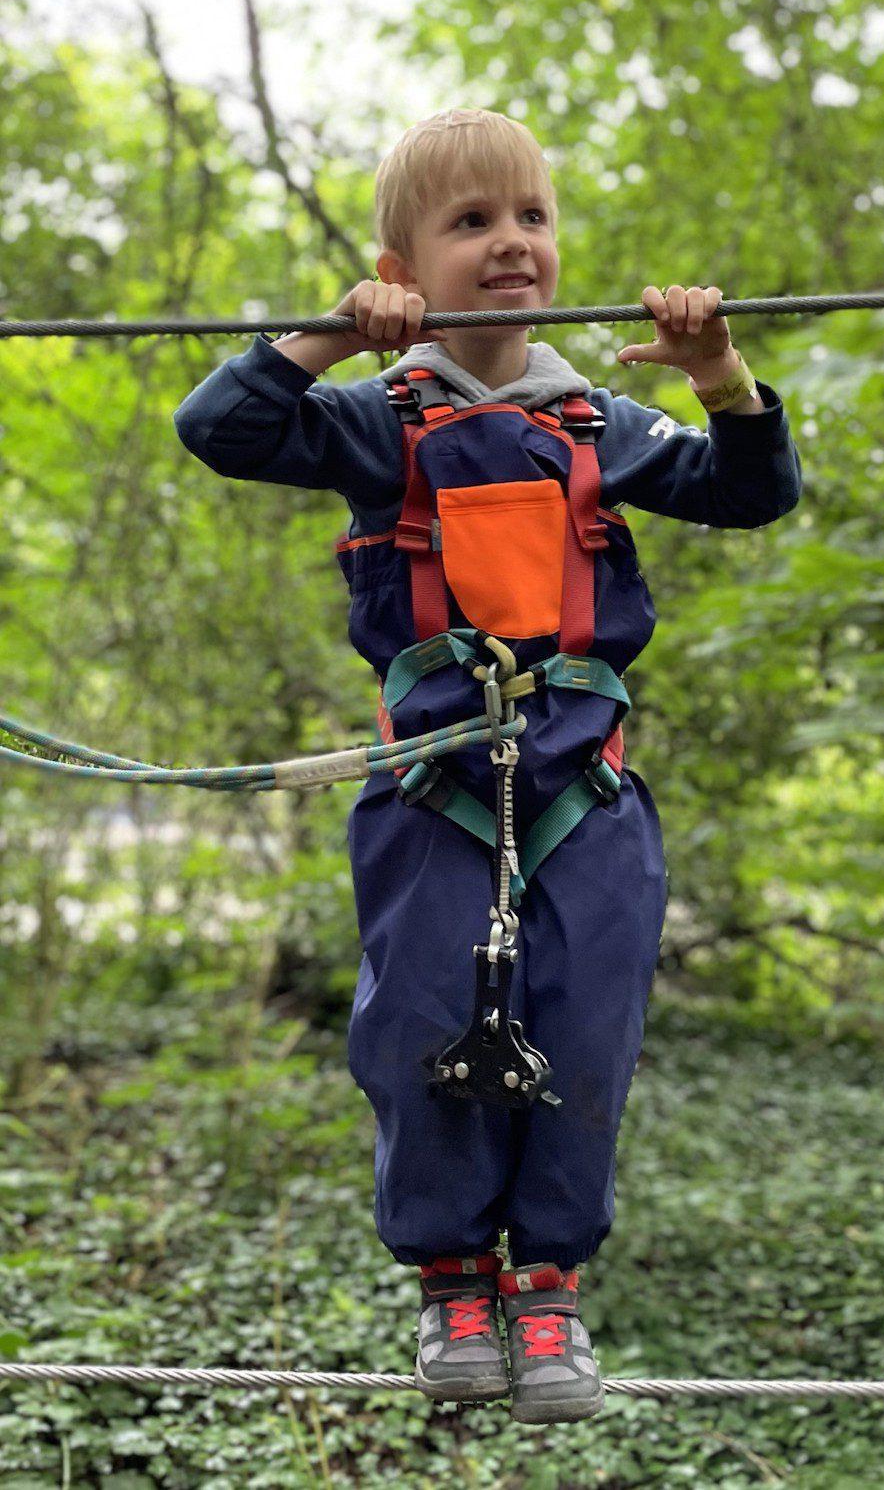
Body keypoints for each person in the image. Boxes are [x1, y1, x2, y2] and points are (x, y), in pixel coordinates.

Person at [173, 107, 802, 1425]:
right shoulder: (372, 421)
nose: (511, 243)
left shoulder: (601, 421)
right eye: (471, 224)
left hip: (586, 793)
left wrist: (720, 371)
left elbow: (752, 492)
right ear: (404, 261)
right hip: (432, 793)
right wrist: (343, 331)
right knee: (415, 1029)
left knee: (586, 1027)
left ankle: (552, 1287)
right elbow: (219, 427)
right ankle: (457, 1282)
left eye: (531, 218)